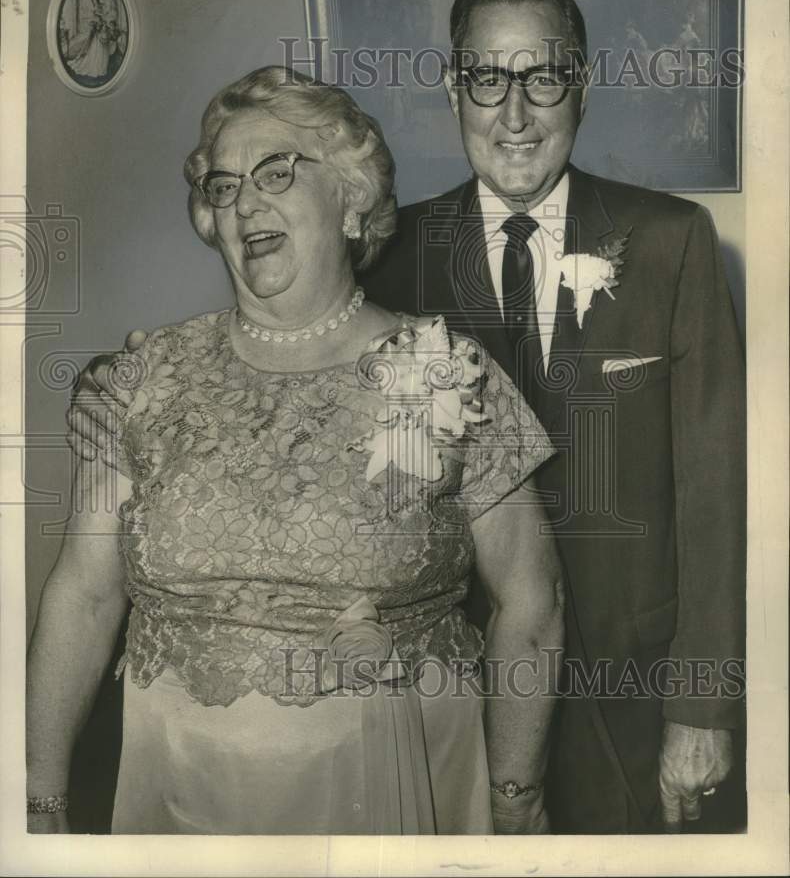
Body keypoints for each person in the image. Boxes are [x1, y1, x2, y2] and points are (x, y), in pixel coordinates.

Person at [68, 0, 747, 834]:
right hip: (461, 703)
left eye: (542, 78)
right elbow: (280, 343)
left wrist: (704, 707)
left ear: (582, 85)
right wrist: (102, 385)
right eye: (485, 80)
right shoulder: (393, 254)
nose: (515, 114)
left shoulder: (672, 241)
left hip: (635, 690)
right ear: (453, 88)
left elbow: (724, 495)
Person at [28, 66, 563, 836]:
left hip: (389, 790)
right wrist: (38, 796)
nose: (245, 201)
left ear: (351, 197)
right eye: (223, 186)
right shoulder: (142, 379)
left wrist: (516, 796)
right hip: (177, 793)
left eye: (277, 171)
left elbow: (532, 600)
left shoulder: (442, 369)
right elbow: (82, 595)